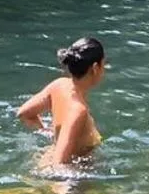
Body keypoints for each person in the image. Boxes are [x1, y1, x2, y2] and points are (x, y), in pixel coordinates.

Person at [17, 37, 107, 169]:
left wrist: (44, 131)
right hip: (72, 179)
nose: (104, 69)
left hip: (44, 161)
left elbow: (24, 113)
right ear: (95, 68)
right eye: (104, 64)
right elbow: (59, 165)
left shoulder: (59, 85)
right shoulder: (78, 110)